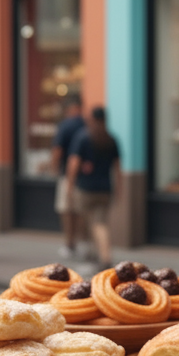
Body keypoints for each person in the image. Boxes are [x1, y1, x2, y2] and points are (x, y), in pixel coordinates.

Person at [65, 106, 121, 270]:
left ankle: (103, 257)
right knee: (99, 222)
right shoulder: (111, 139)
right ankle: (97, 254)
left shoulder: (83, 138)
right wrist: (119, 189)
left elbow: (74, 163)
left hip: (86, 189)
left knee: (94, 224)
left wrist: (69, 185)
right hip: (105, 189)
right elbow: (118, 167)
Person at [50, 94, 85, 258]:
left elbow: (58, 150)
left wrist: (54, 167)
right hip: (85, 177)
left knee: (66, 211)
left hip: (68, 174)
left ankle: (70, 244)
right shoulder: (87, 125)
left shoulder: (65, 126)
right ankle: (80, 242)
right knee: (79, 212)